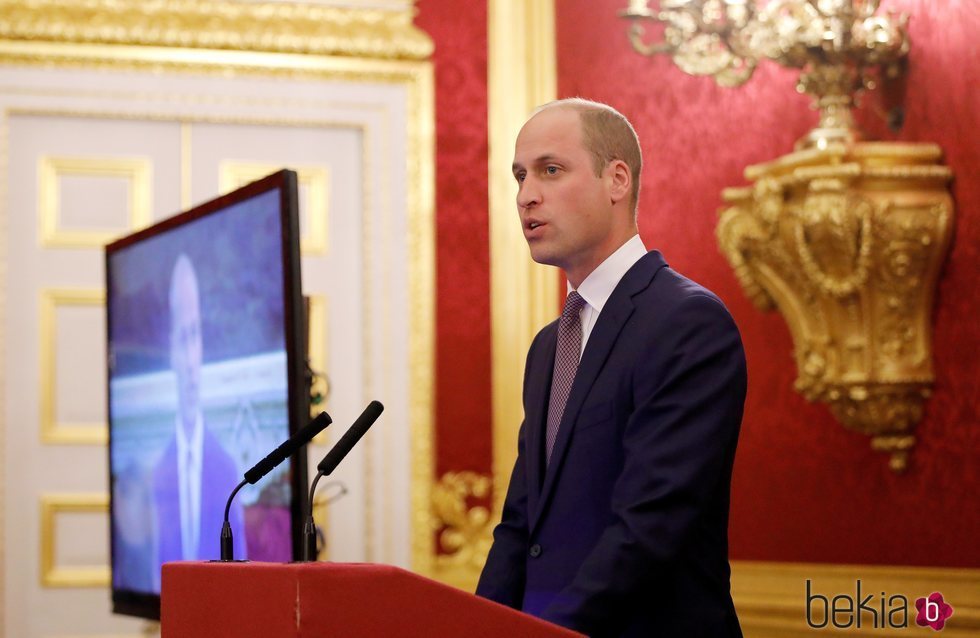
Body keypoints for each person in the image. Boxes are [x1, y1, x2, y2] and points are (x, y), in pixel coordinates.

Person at [475, 98, 747, 637]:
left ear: (617, 179)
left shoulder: (687, 322)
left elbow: (649, 528)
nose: (526, 194)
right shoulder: (549, 346)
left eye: (551, 170)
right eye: (519, 175)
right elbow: (519, 526)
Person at [153, 254, 246, 576]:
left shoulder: (227, 469)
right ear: (171, 352)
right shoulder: (156, 474)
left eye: (196, 336)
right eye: (183, 338)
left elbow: (244, 582)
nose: (192, 359)